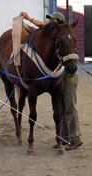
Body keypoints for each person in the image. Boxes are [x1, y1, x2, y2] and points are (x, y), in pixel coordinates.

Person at [20, 11, 83, 150]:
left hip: (69, 74)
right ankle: (64, 138)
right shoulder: (54, 33)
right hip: (61, 73)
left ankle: (75, 138)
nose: (50, 23)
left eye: (53, 21)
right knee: (62, 106)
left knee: (70, 106)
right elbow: (41, 25)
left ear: (59, 23)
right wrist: (28, 19)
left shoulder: (64, 34)